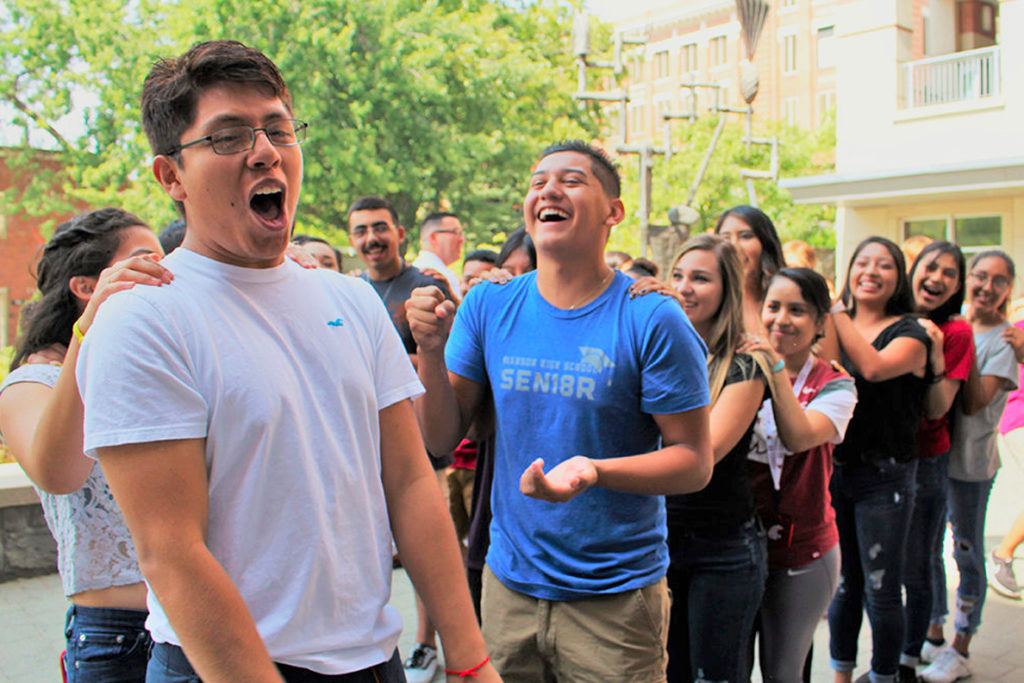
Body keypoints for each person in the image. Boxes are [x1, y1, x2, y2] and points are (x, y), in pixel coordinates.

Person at [75, 40, 498, 683]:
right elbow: (171, 552)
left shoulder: (350, 299)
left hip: (373, 660)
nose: (265, 150)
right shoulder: (144, 318)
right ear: (171, 177)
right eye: (227, 137)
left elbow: (411, 484)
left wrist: (471, 664)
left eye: (277, 128)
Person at [407, 140, 713, 682]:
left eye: (571, 180)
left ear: (613, 212)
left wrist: (596, 472)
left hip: (615, 601)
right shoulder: (488, 304)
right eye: (537, 181)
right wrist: (430, 354)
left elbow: (693, 461)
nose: (547, 190)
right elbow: (440, 438)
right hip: (509, 588)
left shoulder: (652, 317)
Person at [0, 208, 171, 683]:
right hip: (118, 637)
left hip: (191, 617)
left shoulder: (153, 368)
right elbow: (58, 473)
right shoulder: (30, 384)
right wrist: (88, 333)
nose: (162, 269)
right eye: (144, 260)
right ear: (86, 287)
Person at [665, 234, 774, 683]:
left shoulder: (745, 365)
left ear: (728, 289)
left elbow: (701, 453)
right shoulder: (658, 352)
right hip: (659, 542)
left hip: (723, 549)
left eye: (701, 279)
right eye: (678, 276)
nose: (685, 287)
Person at [828, 236, 933, 683]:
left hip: (886, 475)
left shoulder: (913, 332)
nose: (871, 271)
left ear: (899, 277)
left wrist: (835, 311)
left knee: (882, 589)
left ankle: (885, 675)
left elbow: (870, 368)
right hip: (837, 470)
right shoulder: (838, 323)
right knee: (844, 586)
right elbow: (828, 372)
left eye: (884, 265)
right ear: (850, 270)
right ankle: (840, 675)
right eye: (862, 263)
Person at [745, 267, 858, 683]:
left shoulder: (838, 385)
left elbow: (796, 437)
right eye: (773, 307)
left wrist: (772, 369)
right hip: (739, 544)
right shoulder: (738, 370)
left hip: (804, 552)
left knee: (783, 671)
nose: (781, 319)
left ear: (819, 323)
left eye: (797, 310)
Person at [920, 250, 1019, 683]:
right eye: (980, 275)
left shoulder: (1006, 340)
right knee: (927, 549)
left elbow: (977, 401)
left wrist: (959, 347)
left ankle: (962, 644)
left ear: (1009, 290)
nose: (987, 286)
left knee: (966, 550)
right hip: (934, 455)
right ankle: (935, 631)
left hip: (971, 465)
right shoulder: (949, 322)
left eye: (999, 281)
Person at [899, 242, 974, 678]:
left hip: (928, 460)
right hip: (885, 459)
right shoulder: (894, 320)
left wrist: (935, 353)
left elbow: (937, 408)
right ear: (914, 270)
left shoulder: (957, 333)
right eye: (931, 267)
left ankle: (914, 651)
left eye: (950, 273)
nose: (938, 277)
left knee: (920, 560)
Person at [347, 195, 453, 355]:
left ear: (400, 234)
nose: (371, 238)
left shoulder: (429, 286)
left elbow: (449, 359)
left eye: (380, 228)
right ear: (352, 241)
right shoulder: (350, 289)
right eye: (361, 232)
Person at [714, 205, 785, 336]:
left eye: (745, 236)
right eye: (725, 238)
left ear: (765, 243)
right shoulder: (710, 305)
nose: (734, 246)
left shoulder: (793, 298)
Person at [413, 211, 465, 299]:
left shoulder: (415, 269)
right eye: (456, 232)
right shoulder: (437, 276)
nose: (462, 239)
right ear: (433, 237)